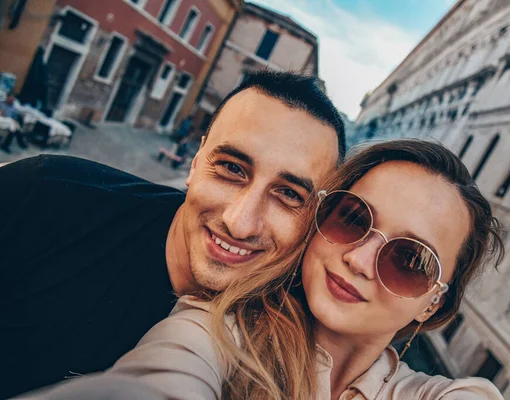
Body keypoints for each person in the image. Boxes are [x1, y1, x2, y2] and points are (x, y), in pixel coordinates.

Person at [26, 139, 505, 400]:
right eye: (352, 218)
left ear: (434, 300)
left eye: (409, 261)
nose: (358, 260)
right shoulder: (214, 332)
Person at [0, 71, 346, 398]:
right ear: (196, 161)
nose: (240, 223)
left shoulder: (297, 335)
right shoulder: (44, 198)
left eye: (288, 195)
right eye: (231, 168)